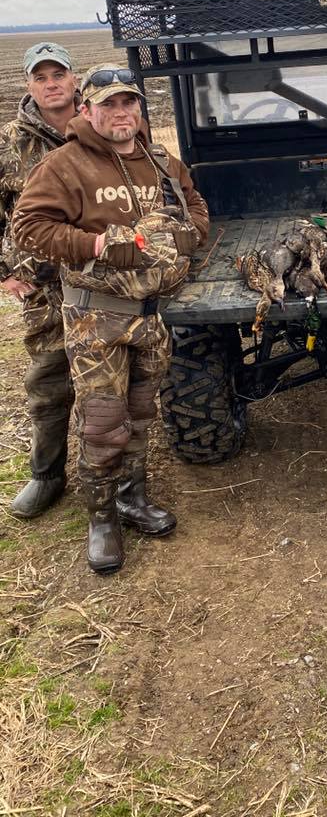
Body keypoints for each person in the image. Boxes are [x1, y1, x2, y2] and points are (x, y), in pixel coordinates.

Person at [13, 64, 209, 573]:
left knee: (142, 415)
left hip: (150, 317)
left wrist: (188, 236)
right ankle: (102, 519)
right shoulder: (63, 164)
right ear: (87, 109)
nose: (121, 113)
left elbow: (195, 204)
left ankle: (131, 496)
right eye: (108, 105)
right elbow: (28, 228)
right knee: (103, 424)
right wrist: (95, 244)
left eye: (129, 104)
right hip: (93, 320)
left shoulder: (161, 160)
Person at [0, 42, 81, 519]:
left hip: (97, 275)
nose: (51, 83)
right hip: (41, 282)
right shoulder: (11, 140)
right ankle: (46, 475)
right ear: (29, 85)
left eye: (59, 74)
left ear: (74, 80)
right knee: (49, 378)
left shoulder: (96, 127)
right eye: (41, 76)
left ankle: (111, 478)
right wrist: (6, 271)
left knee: (107, 383)